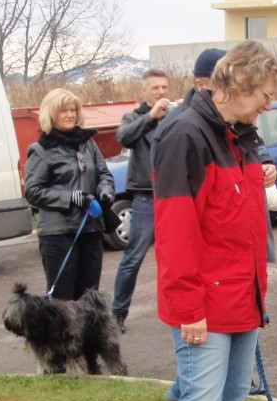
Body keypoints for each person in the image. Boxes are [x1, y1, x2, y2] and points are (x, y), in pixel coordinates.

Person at [150, 40, 277, 401]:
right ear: (241, 85)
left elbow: (243, 225)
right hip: (203, 307)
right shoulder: (185, 135)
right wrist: (188, 309)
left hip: (241, 302)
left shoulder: (240, 138)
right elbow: (176, 231)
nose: (269, 106)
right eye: (266, 95)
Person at [24, 88, 114, 301]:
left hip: (90, 229)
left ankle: (89, 335)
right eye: (63, 110)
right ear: (51, 114)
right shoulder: (41, 149)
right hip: (58, 234)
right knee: (63, 300)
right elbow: (33, 192)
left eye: (73, 110)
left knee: (90, 297)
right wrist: (69, 197)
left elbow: (104, 174)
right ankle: (63, 336)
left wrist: (105, 192)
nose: (70, 115)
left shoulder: (87, 143)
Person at [110, 68, 172, 333]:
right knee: (133, 258)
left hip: (173, 196)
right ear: (144, 91)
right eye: (155, 88)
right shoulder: (134, 117)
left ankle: (177, 311)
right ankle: (118, 313)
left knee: (175, 258)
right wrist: (150, 117)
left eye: (164, 88)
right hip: (146, 197)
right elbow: (124, 137)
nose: (160, 93)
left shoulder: (176, 116)